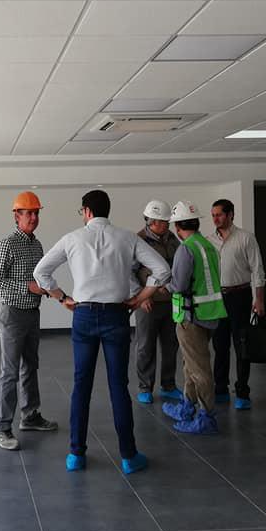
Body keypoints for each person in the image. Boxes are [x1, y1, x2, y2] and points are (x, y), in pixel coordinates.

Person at [34, 189, 170, 475]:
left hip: (83, 315)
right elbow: (162, 270)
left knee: (81, 385)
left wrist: (62, 298)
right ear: (107, 210)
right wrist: (139, 298)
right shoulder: (127, 238)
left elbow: (40, 272)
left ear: (86, 211)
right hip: (116, 316)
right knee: (118, 386)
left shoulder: (72, 238)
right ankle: (129, 456)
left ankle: (76, 455)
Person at [0, 191, 59, 451]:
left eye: (36, 213)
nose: (33, 217)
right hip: (13, 315)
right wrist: (28, 286)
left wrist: (49, 290)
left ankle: (30, 416)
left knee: (30, 365)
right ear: (16, 216)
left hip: (32, 313)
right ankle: (1, 429)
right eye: (28, 213)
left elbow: (40, 278)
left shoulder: (37, 245)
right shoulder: (7, 244)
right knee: (9, 372)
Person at [163, 201, 227, 435]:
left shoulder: (186, 249)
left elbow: (179, 285)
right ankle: (187, 406)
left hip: (191, 317)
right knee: (191, 363)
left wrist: (163, 285)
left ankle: (206, 417)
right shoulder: (208, 245)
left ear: (178, 226)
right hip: (210, 313)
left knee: (199, 369)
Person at [207, 199, 266, 410]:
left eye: (219, 214)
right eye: (213, 215)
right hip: (218, 298)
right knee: (220, 345)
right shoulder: (208, 241)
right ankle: (221, 389)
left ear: (230, 214)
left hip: (240, 296)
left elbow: (257, 270)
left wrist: (259, 299)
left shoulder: (246, 238)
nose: (215, 219)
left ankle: (242, 392)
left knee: (242, 344)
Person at [133, 199, 183, 405]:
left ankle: (168, 385)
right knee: (145, 346)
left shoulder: (172, 239)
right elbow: (130, 272)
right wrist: (141, 297)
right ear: (151, 221)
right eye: (163, 221)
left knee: (171, 345)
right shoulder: (138, 240)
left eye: (167, 221)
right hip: (148, 303)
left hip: (171, 301)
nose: (166, 225)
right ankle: (145, 387)